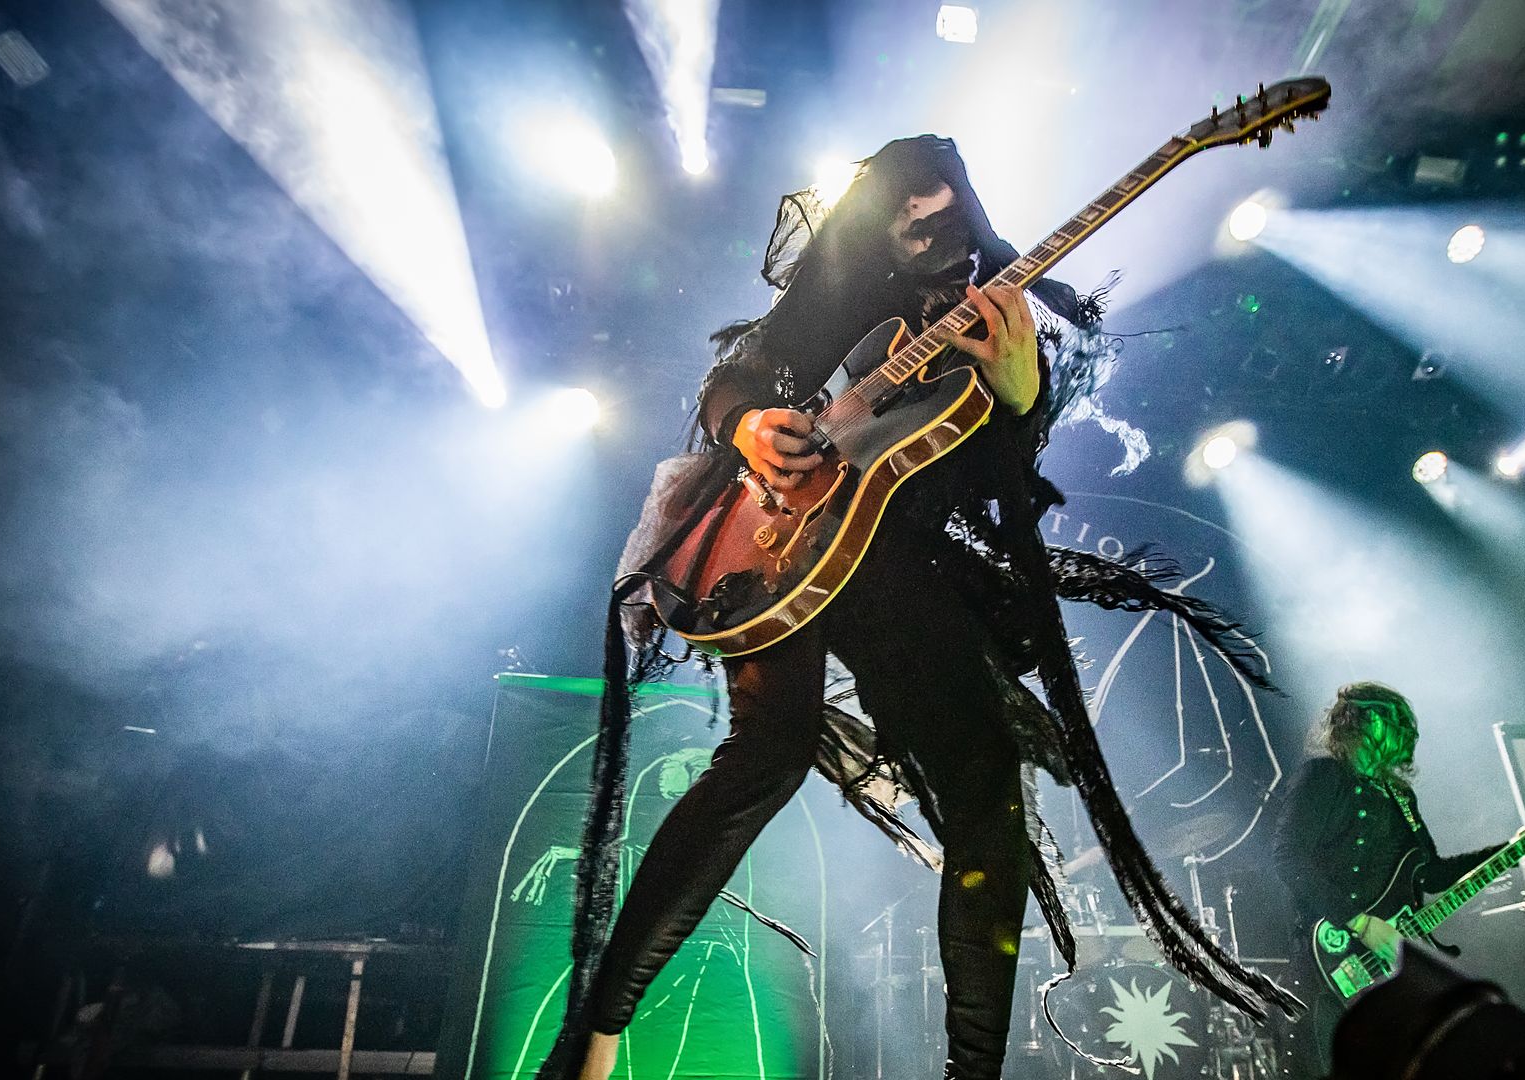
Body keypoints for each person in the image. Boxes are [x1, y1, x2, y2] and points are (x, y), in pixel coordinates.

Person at [541, 136, 1298, 1080]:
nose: (921, 214)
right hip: (772, 538)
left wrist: (1020, 397)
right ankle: (594, 1037)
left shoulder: (1005, 305)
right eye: (900, 200)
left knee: (986, 791)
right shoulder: (836, 282)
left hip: (900, 556)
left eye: (938, 201)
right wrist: (746, 423)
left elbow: (996, 475)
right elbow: (737, 373)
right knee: (765, 755)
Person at [1270, 682, 1525, 1072]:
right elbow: (1287, 856)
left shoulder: (1400, 797)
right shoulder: (1323, 776)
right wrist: (1359, 921)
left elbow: (1434, 873)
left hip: (1388, 966)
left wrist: (1516, 847)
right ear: (1369, 720)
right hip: (1328, 958)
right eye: (1402, 721)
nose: (1413, 733)